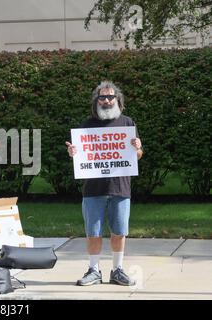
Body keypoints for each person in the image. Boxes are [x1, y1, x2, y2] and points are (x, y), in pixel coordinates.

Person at [65, 81, 143, 286]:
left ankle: (117, 270)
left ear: (117, 99)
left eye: (110, 97)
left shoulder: (127, 123)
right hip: (93, 189)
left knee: (119, 231)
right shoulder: (87, 125)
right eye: (102, 97)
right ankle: (93, 270)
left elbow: (137, 155)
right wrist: (73, 152)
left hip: (120, 187)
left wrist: (138, 147)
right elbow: (80, 155)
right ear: (96, 100)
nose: (107, 101)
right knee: (93, 232)